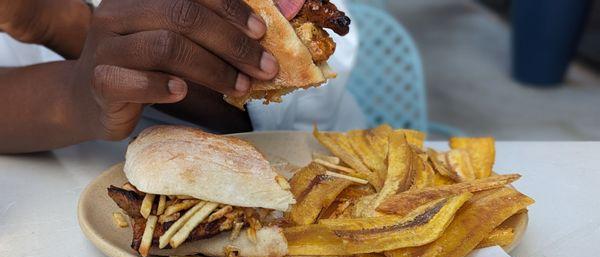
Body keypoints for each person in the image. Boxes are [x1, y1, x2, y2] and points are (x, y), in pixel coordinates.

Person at [0, 0, 364, 154]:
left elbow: (294, 87)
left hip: (299, 172)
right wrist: (73, 99)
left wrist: (67, 25)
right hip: (54, 209)